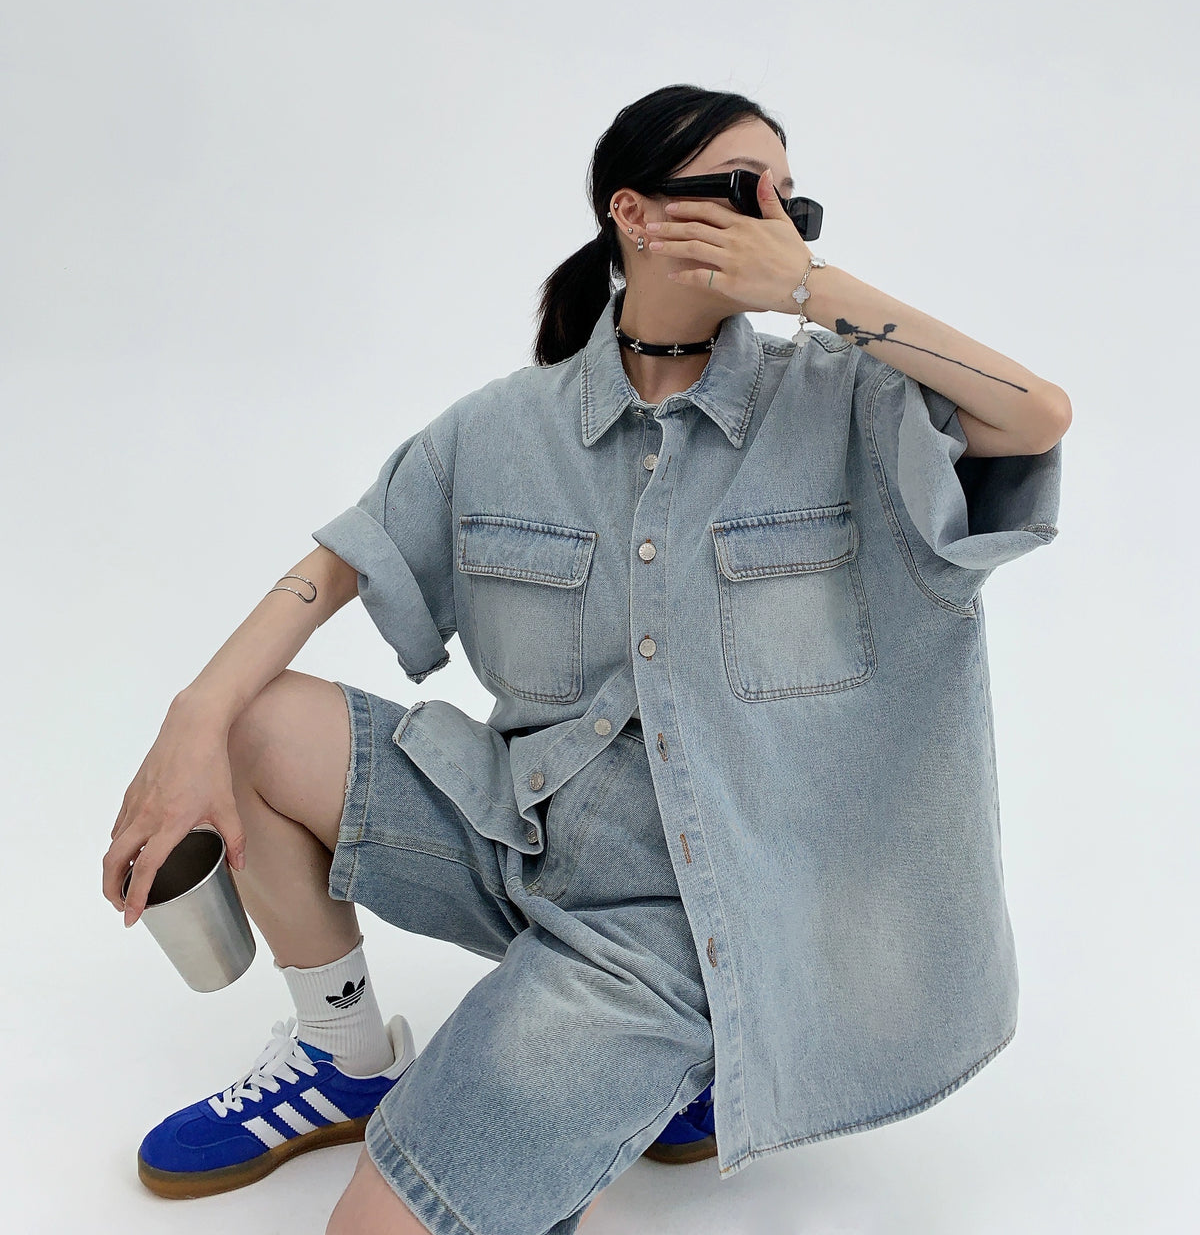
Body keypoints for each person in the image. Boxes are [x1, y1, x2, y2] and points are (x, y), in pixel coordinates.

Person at [102, 83, 1071, 1235]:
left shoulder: (851, 408)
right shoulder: (506, 425)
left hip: (680, 928)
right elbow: (336, 566)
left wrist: (813, 290)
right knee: (254, 721)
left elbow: (1037, 416)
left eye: (794, 207)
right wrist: (193, 719)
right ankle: (344, 1055)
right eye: (740, 191)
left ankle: (687, 1048)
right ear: (633, 212)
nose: (773, 223)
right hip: (521, 837)